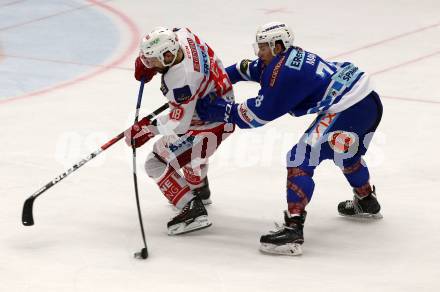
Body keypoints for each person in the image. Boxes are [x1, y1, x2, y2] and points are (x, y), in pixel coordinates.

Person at [196, 22, 383, 255]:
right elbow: (246, 68)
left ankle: (294, 229)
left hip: (350, 107)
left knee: (300, 158)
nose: (258, 52)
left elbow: (256, 116)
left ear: (278, 46)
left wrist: (216, 109)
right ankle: (366, 200)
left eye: (263, 47)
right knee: (345, 153)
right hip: (367, 101)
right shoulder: (285, 58)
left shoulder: (285, 73)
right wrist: (215, 82)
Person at [125, 27, 234, 235]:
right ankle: (199, 189)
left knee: (155, 162)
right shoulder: (182, 34)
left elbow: (180, 124)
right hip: (219, 105)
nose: (149, 64)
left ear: (168, 56)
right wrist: (148, 63)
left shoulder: (182, 80)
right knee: (191, 154)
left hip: (211, 124)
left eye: (152, 61)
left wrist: (147, 129)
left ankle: (193, 208)